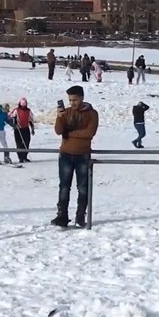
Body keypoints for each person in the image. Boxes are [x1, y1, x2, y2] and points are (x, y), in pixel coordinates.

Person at [53, 85, 99, 227]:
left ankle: (80, 216)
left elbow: (89, 133)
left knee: (83, 187)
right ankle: (62, 216)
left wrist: (70, 134)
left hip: (83, 155)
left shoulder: (92, 114)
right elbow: (58, 131)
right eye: (70, 100)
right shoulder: (65, 112)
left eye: (75, 100)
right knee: (64, 187)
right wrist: (59, 117)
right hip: (66, 154)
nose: (72, 103)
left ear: (82, 98)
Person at [9, 98, 35, 163]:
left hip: (26, 129)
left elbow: (31, 120)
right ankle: (20, 158)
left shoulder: (28, 111)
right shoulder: (16, 110)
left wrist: (32, 129)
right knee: (19, 144)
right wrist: (14, 124)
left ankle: (25, 157)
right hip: (18, 129)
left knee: (26, 143)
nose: (23, 106)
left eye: (24, 104)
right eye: (22, 104)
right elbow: (10, 117)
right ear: (20, 104)